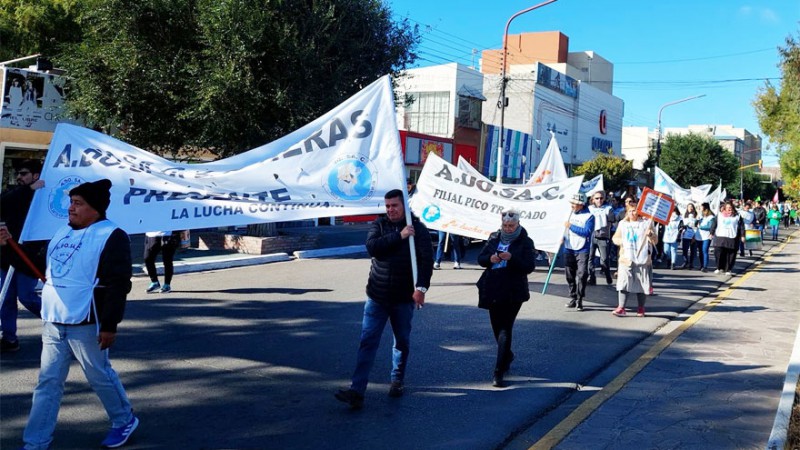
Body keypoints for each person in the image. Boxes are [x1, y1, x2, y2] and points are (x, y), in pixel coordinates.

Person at [1, 179, 140, 449]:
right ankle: (36, 442)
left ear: (95, 209)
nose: (71, 209)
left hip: (86, 321)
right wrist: (8, 248)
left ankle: (124, 420)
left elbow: (118, 283)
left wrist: (109, 324)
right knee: (48, 383)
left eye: (78, 204)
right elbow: (36, 266)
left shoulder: (112, 235)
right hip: (53, 320)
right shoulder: (62, 232)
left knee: (99, 376)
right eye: (71, 203)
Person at [335, 189, 433, 409]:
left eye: (394, 205)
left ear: (404, 206)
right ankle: (357, 391)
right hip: (377, 297)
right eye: (387, 206)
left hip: (403, 299)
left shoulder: (419, 230)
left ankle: (397, 379)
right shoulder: (380, 226)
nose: (390, 210)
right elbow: (372, 248)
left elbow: (426, 262)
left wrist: (422, 289)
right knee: (367, 342)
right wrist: (400, 235)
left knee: (401, 341)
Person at [476, 209, 536, 387]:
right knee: (496, 328)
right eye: (505, 225)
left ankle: (498, 371)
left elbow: (529, 266)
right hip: (493, 288)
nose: (508, 229)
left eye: (511, 225)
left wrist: (512, 258)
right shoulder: (494, 237)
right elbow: (481, 258)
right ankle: (507, 355)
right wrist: (490, 259)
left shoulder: (525, 241)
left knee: (504, 329)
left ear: (518, 224)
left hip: (513, 291)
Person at [0, 160, 45, 352]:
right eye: (18, 173)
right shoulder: (15, 194)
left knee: (27, 297)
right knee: (6, 298)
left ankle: (63, 322)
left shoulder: (44, 197)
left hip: (29, 258)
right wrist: (28, 189)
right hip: (7, 256)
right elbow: (3, 203)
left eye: (24, 173)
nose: (19, 177)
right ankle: (9, 338)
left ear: (36, 176)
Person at [612, 205, 657, 317]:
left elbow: (655, 241)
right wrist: (623, 242)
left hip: (642, 259)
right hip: (626, 258)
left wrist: (650, 235)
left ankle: (641, 308)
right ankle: (621, 307)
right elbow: (615, 238)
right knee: (623, 283)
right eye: (630, 211)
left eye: (634, 211)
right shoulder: (623, 224)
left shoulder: (646, 224)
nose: (632, 213)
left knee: (641, 284)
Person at [563, 193, 594, 311]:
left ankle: (580, 299)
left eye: (574, 204)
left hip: (582, 249)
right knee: (569, 275)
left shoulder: (589, 216)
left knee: (582, 274)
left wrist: (571, 226)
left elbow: (587, 232)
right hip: (568, 247)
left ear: (581, 205)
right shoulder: (568, 213)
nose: (572, 205)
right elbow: (562, 228)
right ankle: (573, 297)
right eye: (571, 203)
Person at [587, 190, 615, 285]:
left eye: (601, 198)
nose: (599, 200)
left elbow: (612, 220)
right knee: (589, 258)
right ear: (593, 199)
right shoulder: (589, 209)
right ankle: (592, 277)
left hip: (603, 237)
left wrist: (604, 216)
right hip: (591, 236)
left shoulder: (608, 208)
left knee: (604, 259)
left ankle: (607, 274)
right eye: (597, 198)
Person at [712, 201, 744, 276]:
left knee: (730, 254)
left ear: (733, 208)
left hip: (732, 237)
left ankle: (728, 269)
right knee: (719, 252)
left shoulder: (737, 216)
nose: (729, 209)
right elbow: (714, 224)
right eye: (727, 207)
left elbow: (741, 226)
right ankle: (719, 267)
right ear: (725, 208)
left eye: (730, 207)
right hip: (720, 236)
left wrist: (743, 235)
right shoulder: (719, 215)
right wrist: (711, 232)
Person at [678, 203, 699, 269]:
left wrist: (695, 236)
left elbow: (697, 227)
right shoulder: (684, 217)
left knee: (693, 250)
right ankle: (685, 261)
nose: (690, 208)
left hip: (693, 235)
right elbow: (681, 225)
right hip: (686, 235)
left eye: (691, 207)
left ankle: (691, 263)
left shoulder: (696, 217)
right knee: (685, 250)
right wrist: (681, 229)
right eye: (689, 207)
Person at [696, 203, 716, 272]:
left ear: (705, 208)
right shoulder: (701, 216)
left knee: (704, 250)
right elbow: (696, 224)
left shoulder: (711, 217)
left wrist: (701, 227)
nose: (700, 208)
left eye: (701, 207)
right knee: (700, 251)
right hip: (699, 236)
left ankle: (705, 266)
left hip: (707, 236)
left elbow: (710, 227)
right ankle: (701, 265)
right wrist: (697, 219)